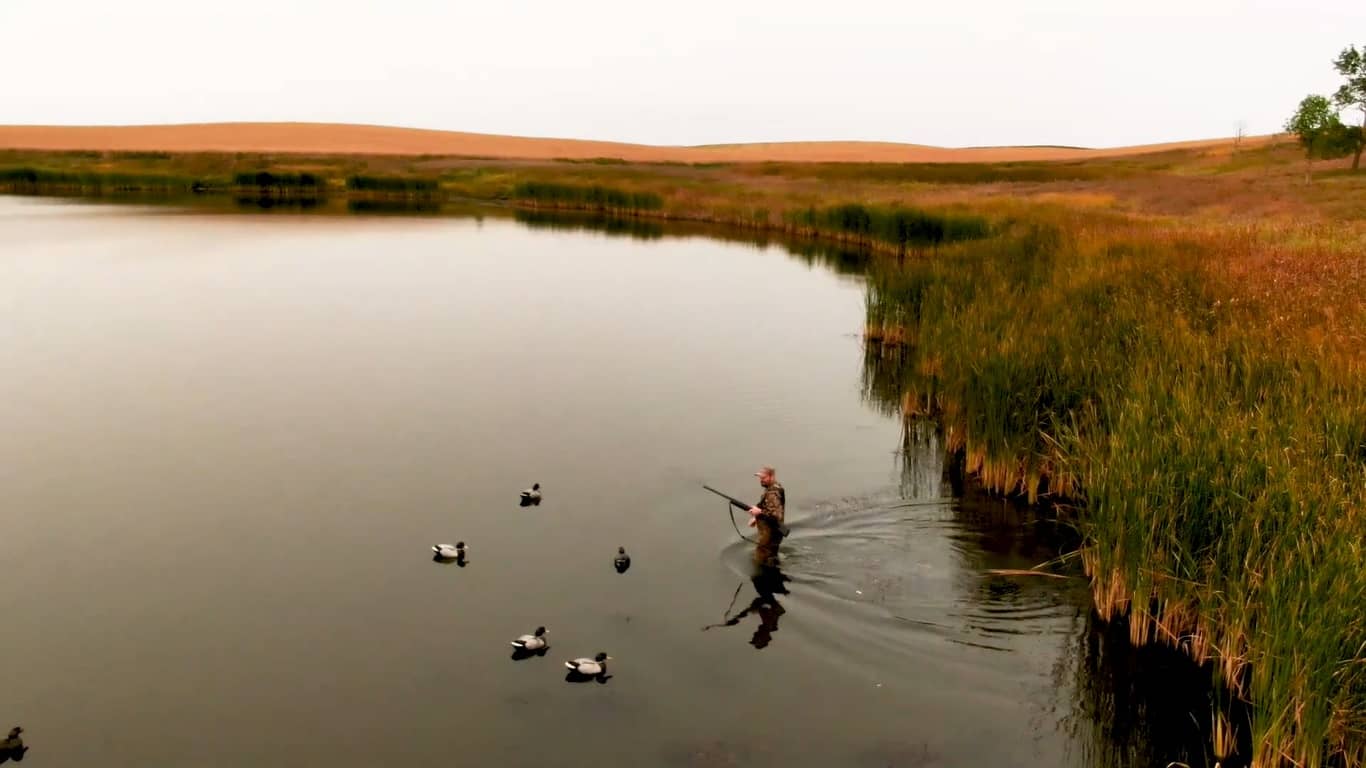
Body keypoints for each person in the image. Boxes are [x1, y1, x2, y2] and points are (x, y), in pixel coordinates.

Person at [747, 465, 785, 566]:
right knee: (771, 557)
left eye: (763, 478)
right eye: (760, 478)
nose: (761, 480)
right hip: (772, 532)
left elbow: (775, 516)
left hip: (770, 533)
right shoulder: (773, 488)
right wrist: (756, 517)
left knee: (760, 561)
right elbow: (766, 506)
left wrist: (759, 513)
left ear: (771, 476)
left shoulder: (773, 493)